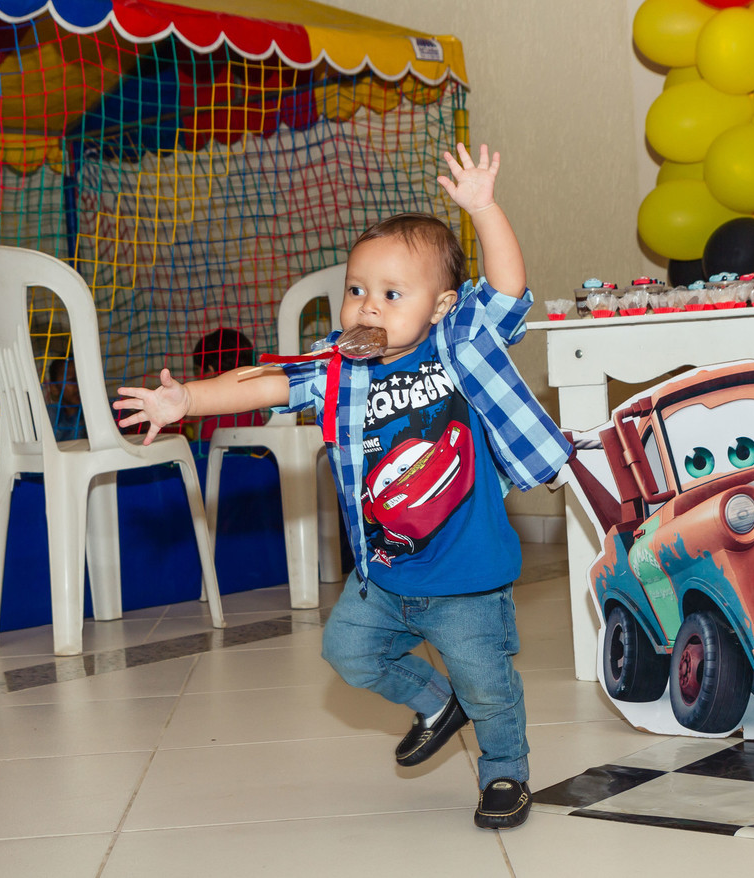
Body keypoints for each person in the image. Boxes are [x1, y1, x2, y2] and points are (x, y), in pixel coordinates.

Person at [114, 143, 571, 830]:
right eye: (357, 289)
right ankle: (435, 702)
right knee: (347, 654)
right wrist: (189, 401)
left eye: (392, 294)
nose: (368, 307)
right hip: (383, 571)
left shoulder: (459, 342)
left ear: (440, 304)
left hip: (468, 576)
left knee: (488, 684)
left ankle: (504, 770)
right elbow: (267, 381)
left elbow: (507, 287)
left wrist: (483, 209)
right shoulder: (339, 367)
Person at [190, 327, 264, 442]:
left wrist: (196, 417)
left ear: (210, 371)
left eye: (196, 370)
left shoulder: (213, 407)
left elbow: (201, 447)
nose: (196, 377)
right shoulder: (252, 401)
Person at [45, 356, 84, 441]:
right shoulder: (49, 417)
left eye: (82, 379)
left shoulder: (101, 411)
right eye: (72, 380)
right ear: (54, 388)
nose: (79, 385)